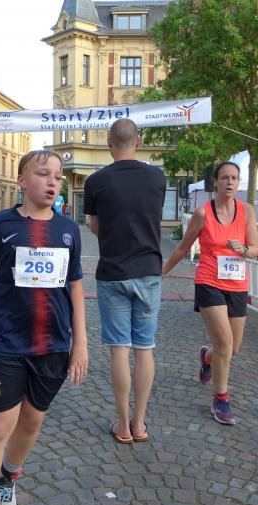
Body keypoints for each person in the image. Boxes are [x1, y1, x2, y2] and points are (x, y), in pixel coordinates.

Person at [0, 150, 87, 505]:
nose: (52, 182)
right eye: (43, 174)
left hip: (54, 346)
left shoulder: (68, 230)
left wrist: (81, 343)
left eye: (58, 177)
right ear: (21, 180)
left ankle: (9, 476)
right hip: (6, 344)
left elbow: (75, 287)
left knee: (31, 421)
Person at [84, 118, 166, 443]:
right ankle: (139, 423)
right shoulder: (157, 177)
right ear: (139, 142)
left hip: (112, 273)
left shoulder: (95, 181)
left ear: (109, 143)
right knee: (144, 348)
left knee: (119, 350)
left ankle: (122, 424)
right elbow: (151, 218)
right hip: (148, 271)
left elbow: (95, 226)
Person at [162, 161, 258, 425]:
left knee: (233, 349)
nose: (230, 182)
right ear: (215, 182)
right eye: (225, 177)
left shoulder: (247, 211)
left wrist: (243, 249)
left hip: (237, 284)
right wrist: (162, 272)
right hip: (209, 281)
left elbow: (255, 249)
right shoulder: (203, 213)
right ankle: (221, 399)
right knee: (224, 344)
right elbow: (183, 247)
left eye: (234, 178)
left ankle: (207, 358)